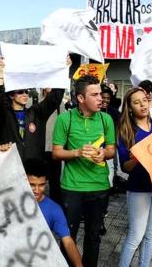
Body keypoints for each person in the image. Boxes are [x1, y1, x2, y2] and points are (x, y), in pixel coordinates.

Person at [52, 75, 116, 267]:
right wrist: (77, 152)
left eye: (101, 94)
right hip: (72, 187)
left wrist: (104, 153)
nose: (101, 98)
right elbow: (56, 153)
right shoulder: (65, 119)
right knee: (68, 235)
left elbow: (112, 149)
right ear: (80, 99)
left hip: (100, 186)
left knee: (94, 236)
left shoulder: (106, 119)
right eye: (95, 94)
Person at [117, 87, 152, 267]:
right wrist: (137, 158)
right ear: (129, 108)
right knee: (135, 236)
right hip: (139, 188)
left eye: (144, 100)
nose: (142, 105)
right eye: (136, 103)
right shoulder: (126, 131)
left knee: (151, 234)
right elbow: (125, 167)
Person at [0, 57, 66, 162]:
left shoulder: (35, 113)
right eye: (20, 92)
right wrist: (1, 73)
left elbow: (54, 98)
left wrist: (63, 69)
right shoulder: (3, 115)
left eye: (26, 91)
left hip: (34, 169)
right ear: (11, 95)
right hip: (12, 167)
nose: (25, 94)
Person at [24, 157, 83, 267]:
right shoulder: (12, 200)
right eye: (32, 185)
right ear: (24, 180)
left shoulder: (54, 209)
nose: (37, 190)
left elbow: (68, 241)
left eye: (41, 185)